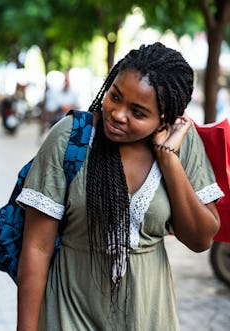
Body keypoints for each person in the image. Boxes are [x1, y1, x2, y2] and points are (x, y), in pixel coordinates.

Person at [15, 42, 224, 330]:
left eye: (138, 112)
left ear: (165, 117)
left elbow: (200, 240)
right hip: (70, 311)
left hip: (150, 316)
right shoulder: (70, 139)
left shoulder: (183, 144)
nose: (117, 114)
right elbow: (37, 248)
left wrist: (168, 160)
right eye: (114, 96)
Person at [41, 70, 79, 135]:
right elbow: (49, 109)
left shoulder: (74, 92)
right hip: (56, 122)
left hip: (70, 124)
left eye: (68, 80)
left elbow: (78, 106)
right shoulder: (54, 92)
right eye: (65, 80)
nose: (66, 82)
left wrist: (69, 108)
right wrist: (60, 108)